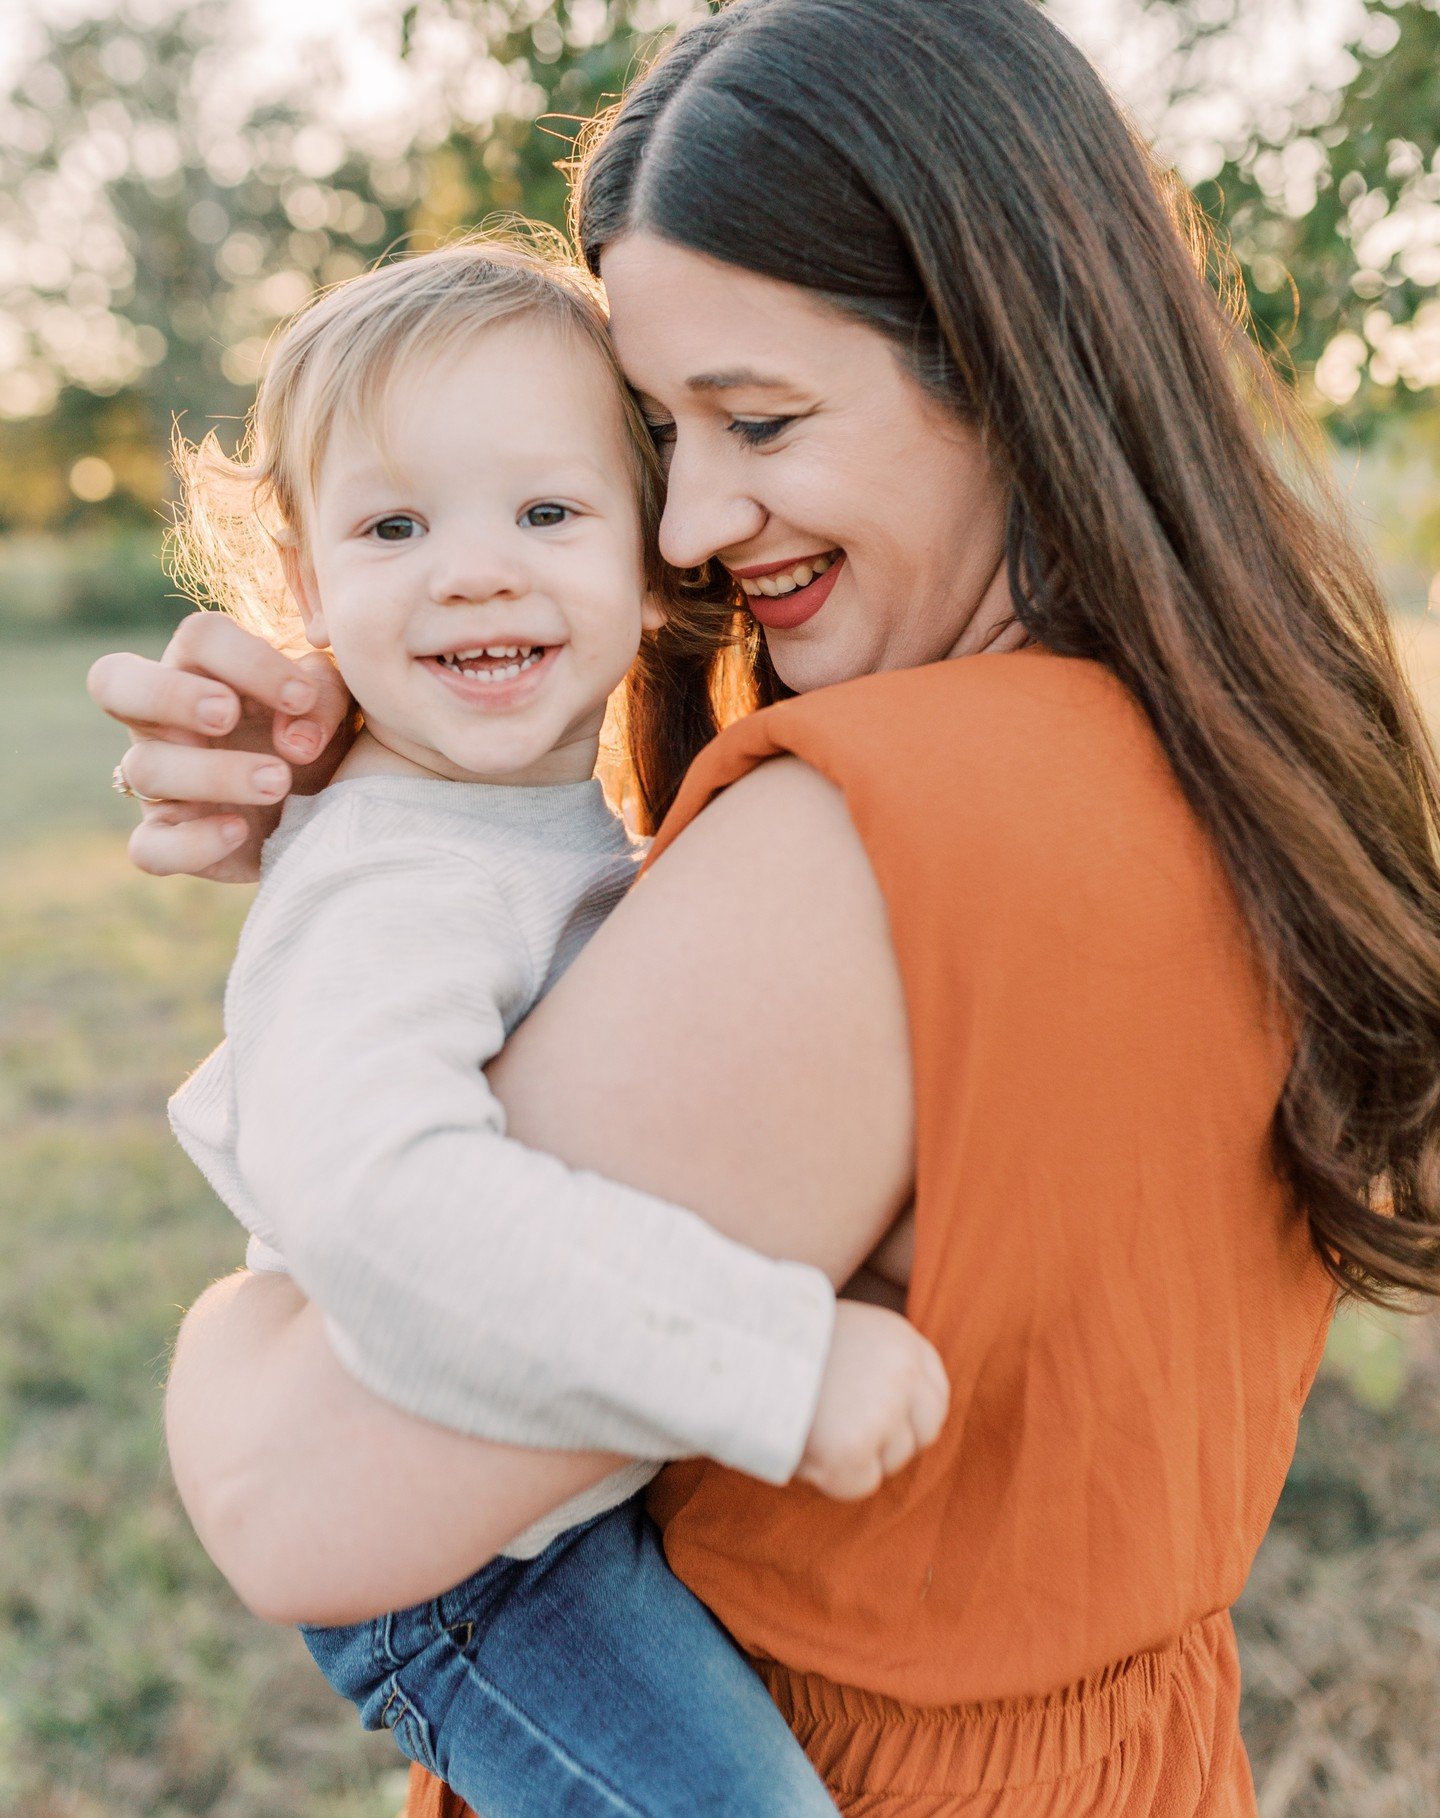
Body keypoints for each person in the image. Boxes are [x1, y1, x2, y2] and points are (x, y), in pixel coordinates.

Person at [91, 0, 1440, 1811]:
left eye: (761, 418)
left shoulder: (861, 847)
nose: (684, 522)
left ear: (1010, 355)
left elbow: (303, 1505)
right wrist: (399, 815)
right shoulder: (1239, 757)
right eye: (661, 433)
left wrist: (227, 1346)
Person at [160, 232, 952, 1816]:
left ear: (647, 547)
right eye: (395, 523)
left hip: (541, 1490)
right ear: (305, 581)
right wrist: (771, 1362)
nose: (476, 567)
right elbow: (392, 1211)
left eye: (545, 511)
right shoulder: (390, 883)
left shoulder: (521, 816)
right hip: (478, 1577)